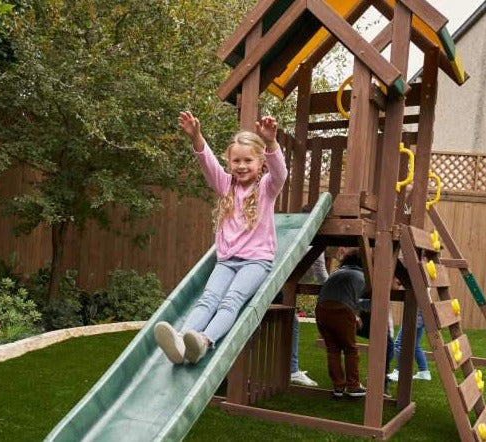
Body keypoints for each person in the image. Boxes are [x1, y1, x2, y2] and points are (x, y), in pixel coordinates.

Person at [153, 111, 287, 364]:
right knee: (207, 300)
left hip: (256, 262)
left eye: (248, 160)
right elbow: (208, 163)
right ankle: (181, 343)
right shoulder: (225, 185)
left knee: (230, 301)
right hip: (226, 261)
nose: (242, 166)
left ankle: (204, 341)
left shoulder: (267, 187)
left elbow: (281, 172)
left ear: (261, 164)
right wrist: (197, 137)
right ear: (229, 163)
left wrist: (270, 143)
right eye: (236, 161)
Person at [316, 248, 367, 398]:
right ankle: (353, 386)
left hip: (321, 310)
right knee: (351, 349)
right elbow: (359, 302)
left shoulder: (336, 273)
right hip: (342, 311)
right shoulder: (362, 276)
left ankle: (338, 387)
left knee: (332, 350)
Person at [274, 251, 328, 387]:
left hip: (276, 282)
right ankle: (292, 369)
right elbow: (321, 274)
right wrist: (335, 290)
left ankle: (290, 367)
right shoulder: (317, 247)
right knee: (292, 322)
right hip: (276, 285)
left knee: (292, 321)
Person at [388, 311, 431, 381]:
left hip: (415, 313)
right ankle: (424, 372)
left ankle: (400, 372)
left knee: (400, 343)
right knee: (415, 345)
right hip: (422, 313)